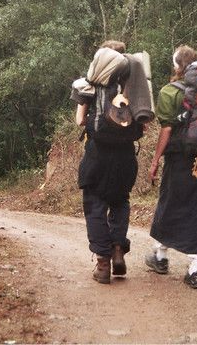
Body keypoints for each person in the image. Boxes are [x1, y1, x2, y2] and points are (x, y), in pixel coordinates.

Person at [72, 40, 154, 285]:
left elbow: (79, 121)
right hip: (125, 156)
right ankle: (118, 248)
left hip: (98, 154)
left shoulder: (91, 82)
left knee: (95, 203)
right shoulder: (136, 83)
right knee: (120, 201)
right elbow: (145, 124)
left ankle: (103, 263)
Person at [145, 45, 197, 289]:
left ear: (177, 66)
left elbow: (167, 129)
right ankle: (195, 268)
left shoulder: (170, 92)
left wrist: (156, 159)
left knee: (171, 201)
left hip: (179, 157)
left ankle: (160, 256)